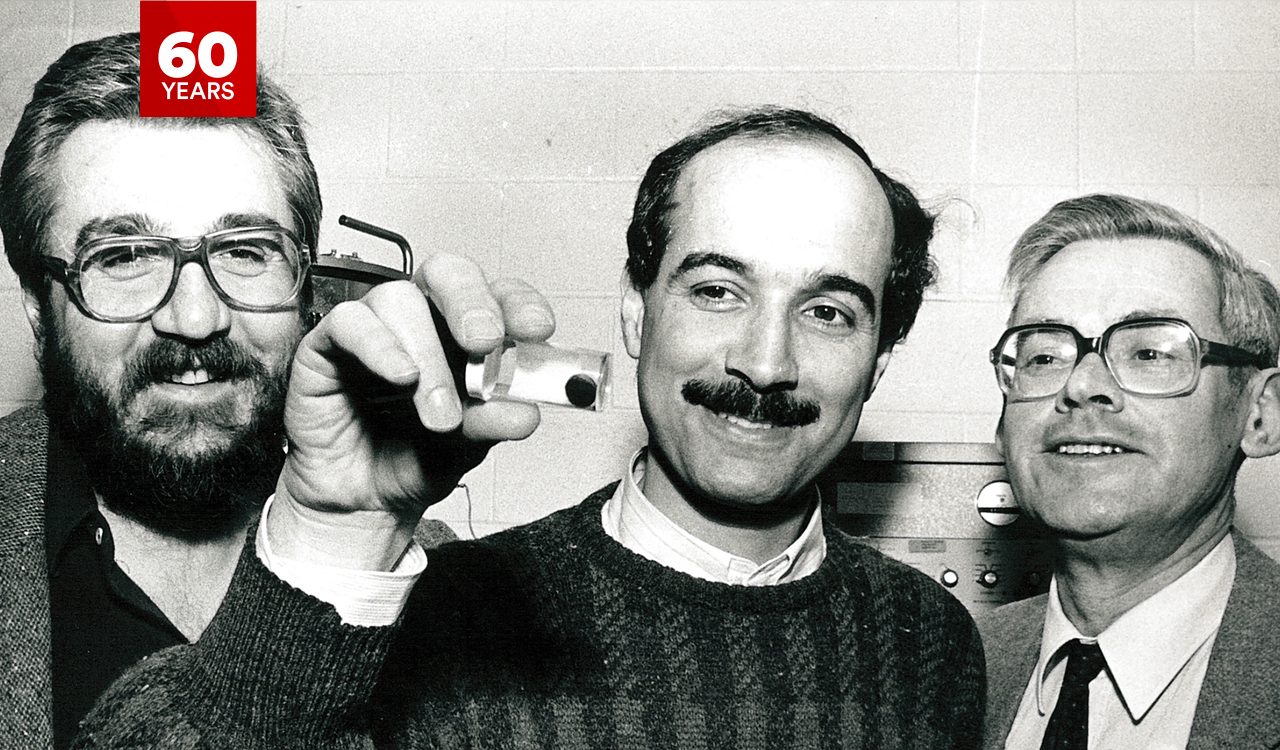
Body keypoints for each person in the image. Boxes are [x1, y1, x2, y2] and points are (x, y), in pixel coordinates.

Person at [75, 106, 986, 749]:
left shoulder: (931, 640)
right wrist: (334, 535)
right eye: (717, 290)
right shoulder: (441, 620)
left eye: (828, 312)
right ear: (637, 314)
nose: (765, 361)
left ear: (881, 356)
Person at [0, 32, 481, 749]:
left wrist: (345, 546)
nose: (195, 318)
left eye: (245, 250)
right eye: (125, 256)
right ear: (41, 308)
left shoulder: (422, 580)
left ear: (306, 289)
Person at [977, 194, 1280, 749]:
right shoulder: (949, 665)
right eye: (1044, 357)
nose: (1081, 385)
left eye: (1150, 352)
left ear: (1259, 415)